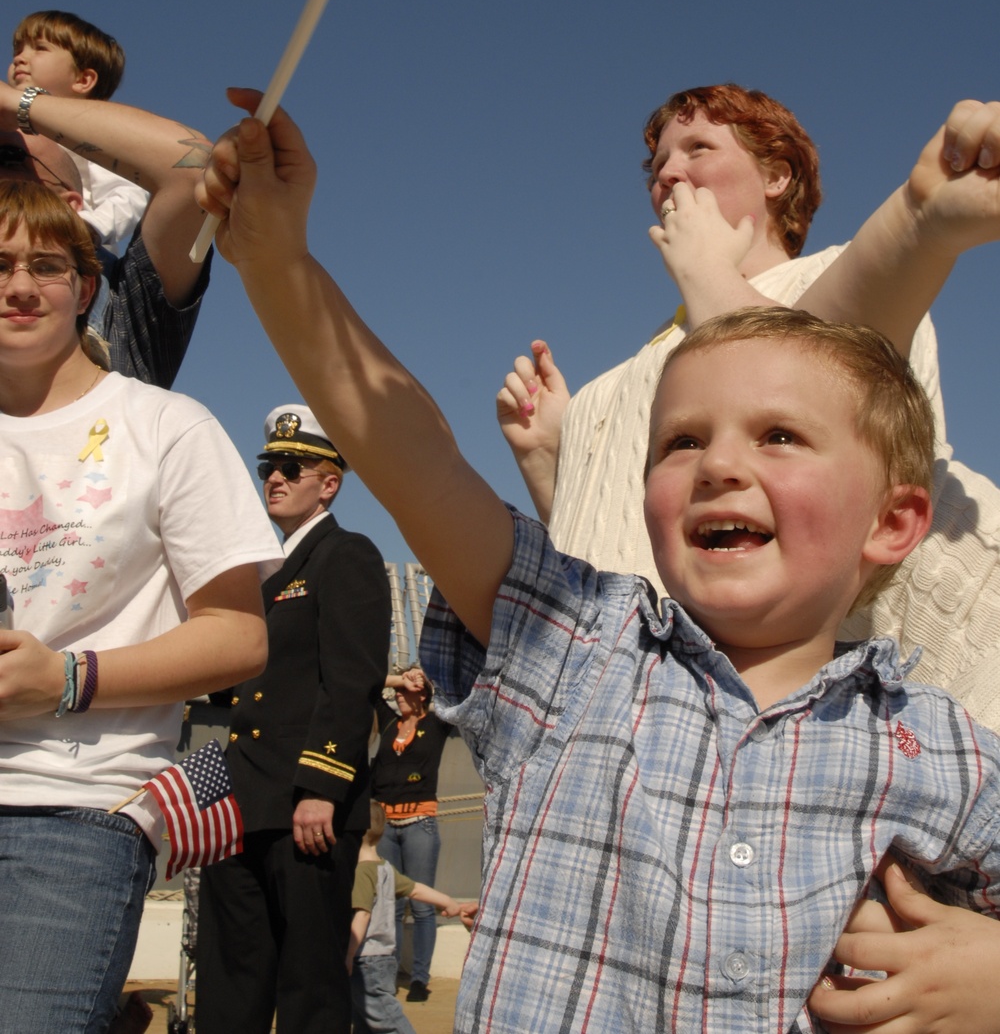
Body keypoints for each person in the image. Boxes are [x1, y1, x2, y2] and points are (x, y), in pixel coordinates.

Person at [196, 95, 1000, 1034]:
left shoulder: (945, 749)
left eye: (778, 436)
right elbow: (414, 457)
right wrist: (280, 267)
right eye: (680, 442)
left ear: (895, 521)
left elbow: (834, 334)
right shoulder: (579, 659)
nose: (720, 466)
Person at [0, 178, 279, 1033]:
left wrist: (66, 679)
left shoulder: (165, 426)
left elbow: (237, 637)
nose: (18, 286)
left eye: (46, 266)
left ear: (86, 289)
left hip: (70, 817)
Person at [497, 84, 942, 590]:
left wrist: (706, 271)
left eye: (698, 148)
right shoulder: (641, 361)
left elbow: (848, 459)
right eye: (656, 165)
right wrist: (550, 456)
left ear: (776, 175)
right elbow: (614, 545)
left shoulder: (842, 277)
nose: (666, 175)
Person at [196, 403, 393, 1034]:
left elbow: (350, 678)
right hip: (243, 807)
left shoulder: (347, 555)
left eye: (290, 466)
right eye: (267, 467)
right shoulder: (265, 579)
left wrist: (320, 789)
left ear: (328, 483)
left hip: (306, 810)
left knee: (308, 988)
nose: (273, 478)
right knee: (230, 981)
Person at [0, 70, 214, 386]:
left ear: (69, 207)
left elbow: (194, 166)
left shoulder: (120, 301)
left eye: (9, 157)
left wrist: (15, 102)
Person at [10, 10, 147, 250]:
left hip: (73, 254)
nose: (20, 58)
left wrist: (88, 227)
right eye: (18, 50)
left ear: (83, 80)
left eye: (39, 48)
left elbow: (127, 193)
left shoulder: (92, 133)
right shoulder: (9, 129)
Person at [348, 802, 471, 1034]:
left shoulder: (361, 871)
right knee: (364, 1020)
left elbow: (362, 915)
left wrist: (348, 954)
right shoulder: (385, 868)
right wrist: (449, 903)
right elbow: (416, 889)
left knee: (386, 1018)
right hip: (384, 958)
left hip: (365, 960)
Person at [373, 667, 453, 1002]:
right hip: (386, 826)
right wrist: (397, 679)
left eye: (410, 689)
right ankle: (388, 978)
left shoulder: (436, 725)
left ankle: (419, 978)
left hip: (420, 823)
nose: (402, 694)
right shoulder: (390, 722)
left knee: (421, 905)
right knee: (390, 904)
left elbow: (456, 699)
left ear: (424, 695)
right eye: (401, 689)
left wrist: (429, 678)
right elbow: (369, 684)